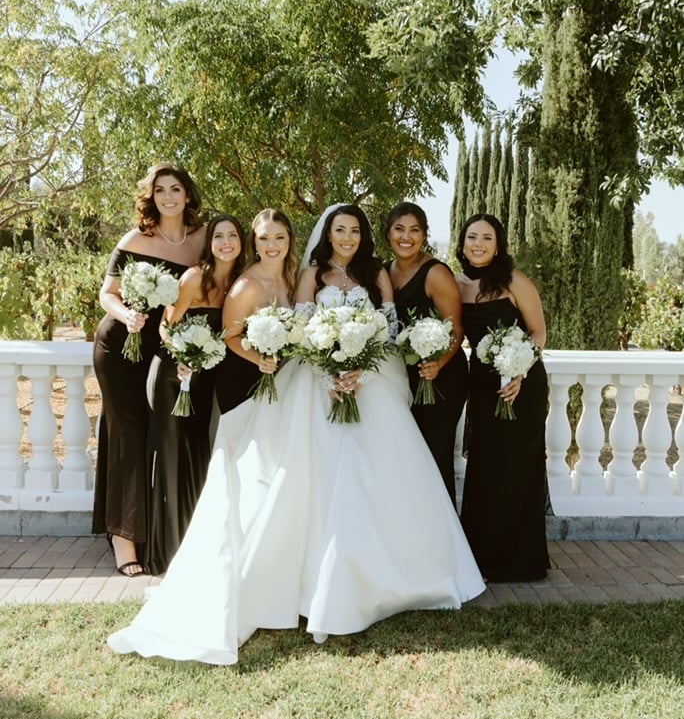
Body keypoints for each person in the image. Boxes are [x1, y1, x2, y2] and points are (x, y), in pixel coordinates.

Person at [107, 204, 484, 665]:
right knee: (312, 476)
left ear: (364, 236)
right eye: (339, 229)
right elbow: (304, 330)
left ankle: (393, 577)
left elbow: (387, 329)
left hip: (372, 384)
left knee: (382, 476)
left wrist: (359, 370)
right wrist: (332, 365)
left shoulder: (377, 275)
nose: (346, 237)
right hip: (315, 383)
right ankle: (307, 582)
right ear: (328, 234)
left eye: (354, 230)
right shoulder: (309, 275)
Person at [92, 163, 205, 577]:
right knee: (127, 435)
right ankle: (124, 541)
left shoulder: (201, 240)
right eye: (161, 191)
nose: (169, 197)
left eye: (176, 189)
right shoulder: (137, 237)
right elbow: (107, 293)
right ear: (152, 196)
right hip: (120, 347)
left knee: (161, 435)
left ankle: (157, 533)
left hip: (166, 352)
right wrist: (127, 316)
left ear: (188, 195)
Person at [144, 214, 246, 576]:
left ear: (240, 241)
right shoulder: (193, 278)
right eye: (219, 236)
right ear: (210, 243)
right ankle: (166, 553)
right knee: (172, 458)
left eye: (232, 235)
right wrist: (185, 358)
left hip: (203, 384)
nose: (225, 242)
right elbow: (166, 328)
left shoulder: (239, 284)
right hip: (174, 376)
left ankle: (194, 545)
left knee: (198, 454)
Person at [455, 213, 550, 582]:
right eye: (472, 237)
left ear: (498, 245)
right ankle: (483, 557)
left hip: (522, 385)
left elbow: (538, 333)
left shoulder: (514, 281)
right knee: (486, 466)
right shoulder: (457, 284)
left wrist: (519, 372)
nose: (478, 244)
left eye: (487, 238)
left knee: (518, 467)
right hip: (482, 385)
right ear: (462, 243)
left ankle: (522, 561)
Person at [384, 201, 468, 506]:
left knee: (435, 454)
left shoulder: (435, 274)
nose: (406, 237)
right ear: (388, 233)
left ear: (424, 235)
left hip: (441, 379)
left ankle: (445, 539)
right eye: (399, 229)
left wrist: (438, 363)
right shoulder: (384, 271)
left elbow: (456, 329)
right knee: (407, 457)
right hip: (403, 378)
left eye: (414, 231)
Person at [213, 208, 299, 412]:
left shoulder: (294, 277)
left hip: (282, 377)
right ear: (254, 243)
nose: (272, 246)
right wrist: (260, 359)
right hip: (242, 378)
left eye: (279, 237)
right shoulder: (247, 286)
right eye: (264, 238)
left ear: (289, 240)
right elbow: (229, 336)